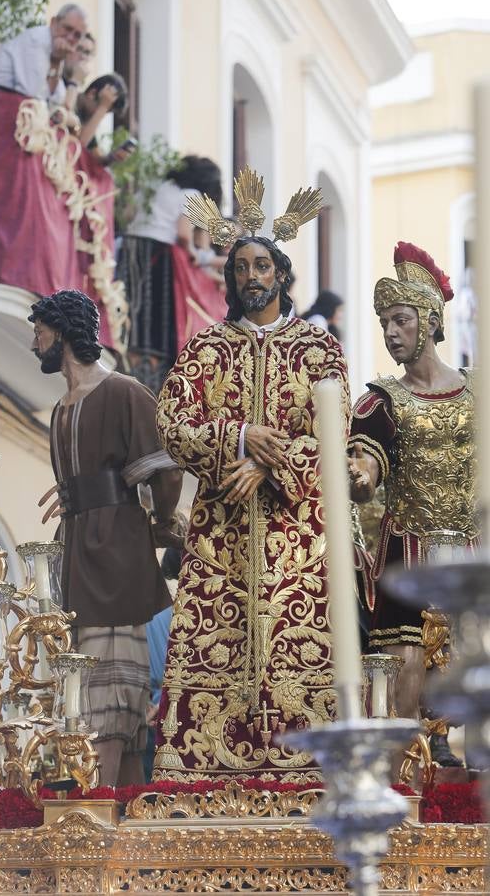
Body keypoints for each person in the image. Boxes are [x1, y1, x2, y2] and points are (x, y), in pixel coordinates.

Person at [151, 178, 350, 782]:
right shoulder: (207, 347)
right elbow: (170, 422)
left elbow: (335, 431)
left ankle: (313, 771)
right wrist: (236, 439)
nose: (250, 276)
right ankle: (203, 773)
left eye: (262, 265)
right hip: (222, 539)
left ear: (282, 273)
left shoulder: (319, 349)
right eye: (240, 267)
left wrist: (271, 458)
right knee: (216, 655)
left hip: (299, 539)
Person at [29, 289, 184, 787]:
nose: (34, 343)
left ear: (66, 333)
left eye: (40, 331)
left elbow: (165, 470)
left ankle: (102, 815)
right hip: (80, 554)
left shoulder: (123, 391)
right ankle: (118, 814)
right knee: (89, 689)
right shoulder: (61, 408)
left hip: (114, 555)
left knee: (113, 698)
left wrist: (161, 522)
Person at [348, 242, 478, 756]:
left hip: (470, 545)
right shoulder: (380, 399)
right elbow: (368, 455)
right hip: (410, 551)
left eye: (400, 321)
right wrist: (360, 474)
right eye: (384, 324)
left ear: (429, 320)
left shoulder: (477, 390)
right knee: (406, 662)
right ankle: (414, 755)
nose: (391, 333)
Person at [116, 155, 223, 391]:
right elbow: (184, 233)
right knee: (154, 308)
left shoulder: (156, 185)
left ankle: (125, 343)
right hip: (159, 251)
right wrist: (192, 252)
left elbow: (128, 213)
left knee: (133, 299)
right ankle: (149, 356)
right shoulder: (191, 195)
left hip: (132, 245)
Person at [0, 3, 87, 106]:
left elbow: (55, 102)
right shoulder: (36, 40)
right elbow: (33, 100)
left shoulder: (54, 54)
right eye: (67, 28)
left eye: (77, 35)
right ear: (53, 23)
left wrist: (58, 60)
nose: (70, 37)